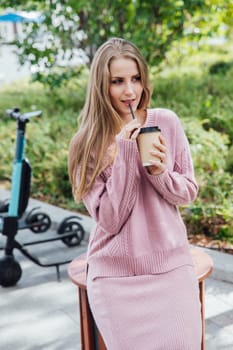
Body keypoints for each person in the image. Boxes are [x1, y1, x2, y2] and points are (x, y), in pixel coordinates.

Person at [68, 37, 202, 350]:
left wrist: (159, 174)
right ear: (101, 86)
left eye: (136, 78)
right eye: (117, 82)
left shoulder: (165, 122)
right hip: (115, 278)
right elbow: (110, 221)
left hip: (171, 269)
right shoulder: (86, 143)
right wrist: (127, 153)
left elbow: (188, 193)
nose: (130, 91)